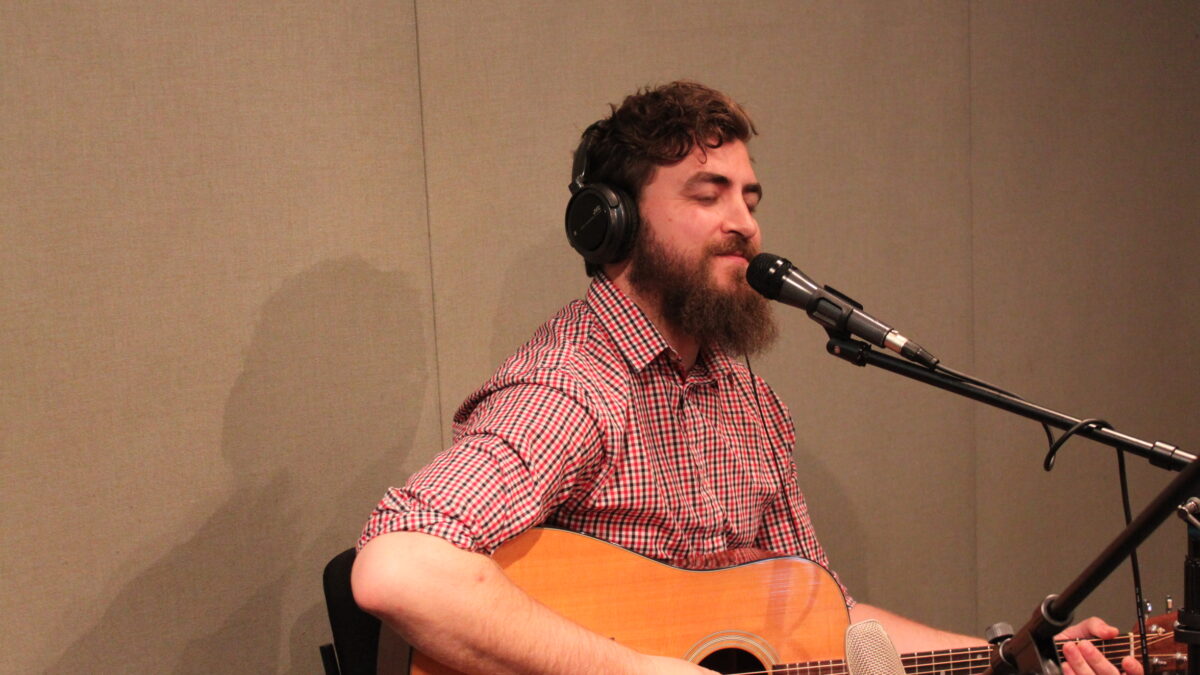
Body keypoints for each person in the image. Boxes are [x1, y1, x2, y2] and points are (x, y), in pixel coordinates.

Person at [351, 81, 1141, 675]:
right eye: (709, 194)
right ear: (611, 220)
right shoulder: (574, 385)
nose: (746, 223)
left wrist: (1013, 656)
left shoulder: (745, 396)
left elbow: (821, 616)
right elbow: (399, 567)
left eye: (750, 197)